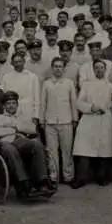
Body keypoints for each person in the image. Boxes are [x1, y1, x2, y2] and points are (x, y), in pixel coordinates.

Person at [0, 91, 56, 198]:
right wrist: (17, 128)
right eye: (8, 103)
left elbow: (32, 130)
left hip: (20, 141)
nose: (11, 105)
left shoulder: (22, 117)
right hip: (5, 142)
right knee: (11, 149)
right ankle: (24, 182)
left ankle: (42, 181)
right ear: (4, 106)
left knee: (37, 145)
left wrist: (14, 126)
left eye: (13, 103)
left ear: (17, 105)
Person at [72, 60, 112, 188]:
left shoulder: (111, 87)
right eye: (96, 68)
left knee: (104, 149)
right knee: (84, 149)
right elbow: (79, 103)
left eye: (101, 68)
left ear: (105, 70)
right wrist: (91, 107)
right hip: (89, 120)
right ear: (93, 70)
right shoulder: (86, 85)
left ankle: (101, 177)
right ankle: (81, 178)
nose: (99, 70)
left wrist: (107, 111)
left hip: (104, 120)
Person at [40, 57, 78, 187]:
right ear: (52, 68)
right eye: (55, 66)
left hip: (66, 121)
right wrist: (42, 119)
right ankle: (53, 177)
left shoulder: (69, 83)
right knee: (51, 151)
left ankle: (68, 177)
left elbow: (73, 102)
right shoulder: (47, 83)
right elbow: (43, 103)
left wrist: (74, 119)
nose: (58, 69)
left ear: (63, 69)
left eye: (60, 66)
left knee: (67, 151)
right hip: (50, 122)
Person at [1, 53, 41, 129]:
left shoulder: (33, 77)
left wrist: (36, 116)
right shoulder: (6, 77)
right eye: (15, 62)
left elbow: (37, 99)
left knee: (29, 136)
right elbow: (4, 98)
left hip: (29, 113)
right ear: (12, 63)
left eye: (20, 61)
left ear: (24, 61)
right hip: (12, 113)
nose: (18, 64)